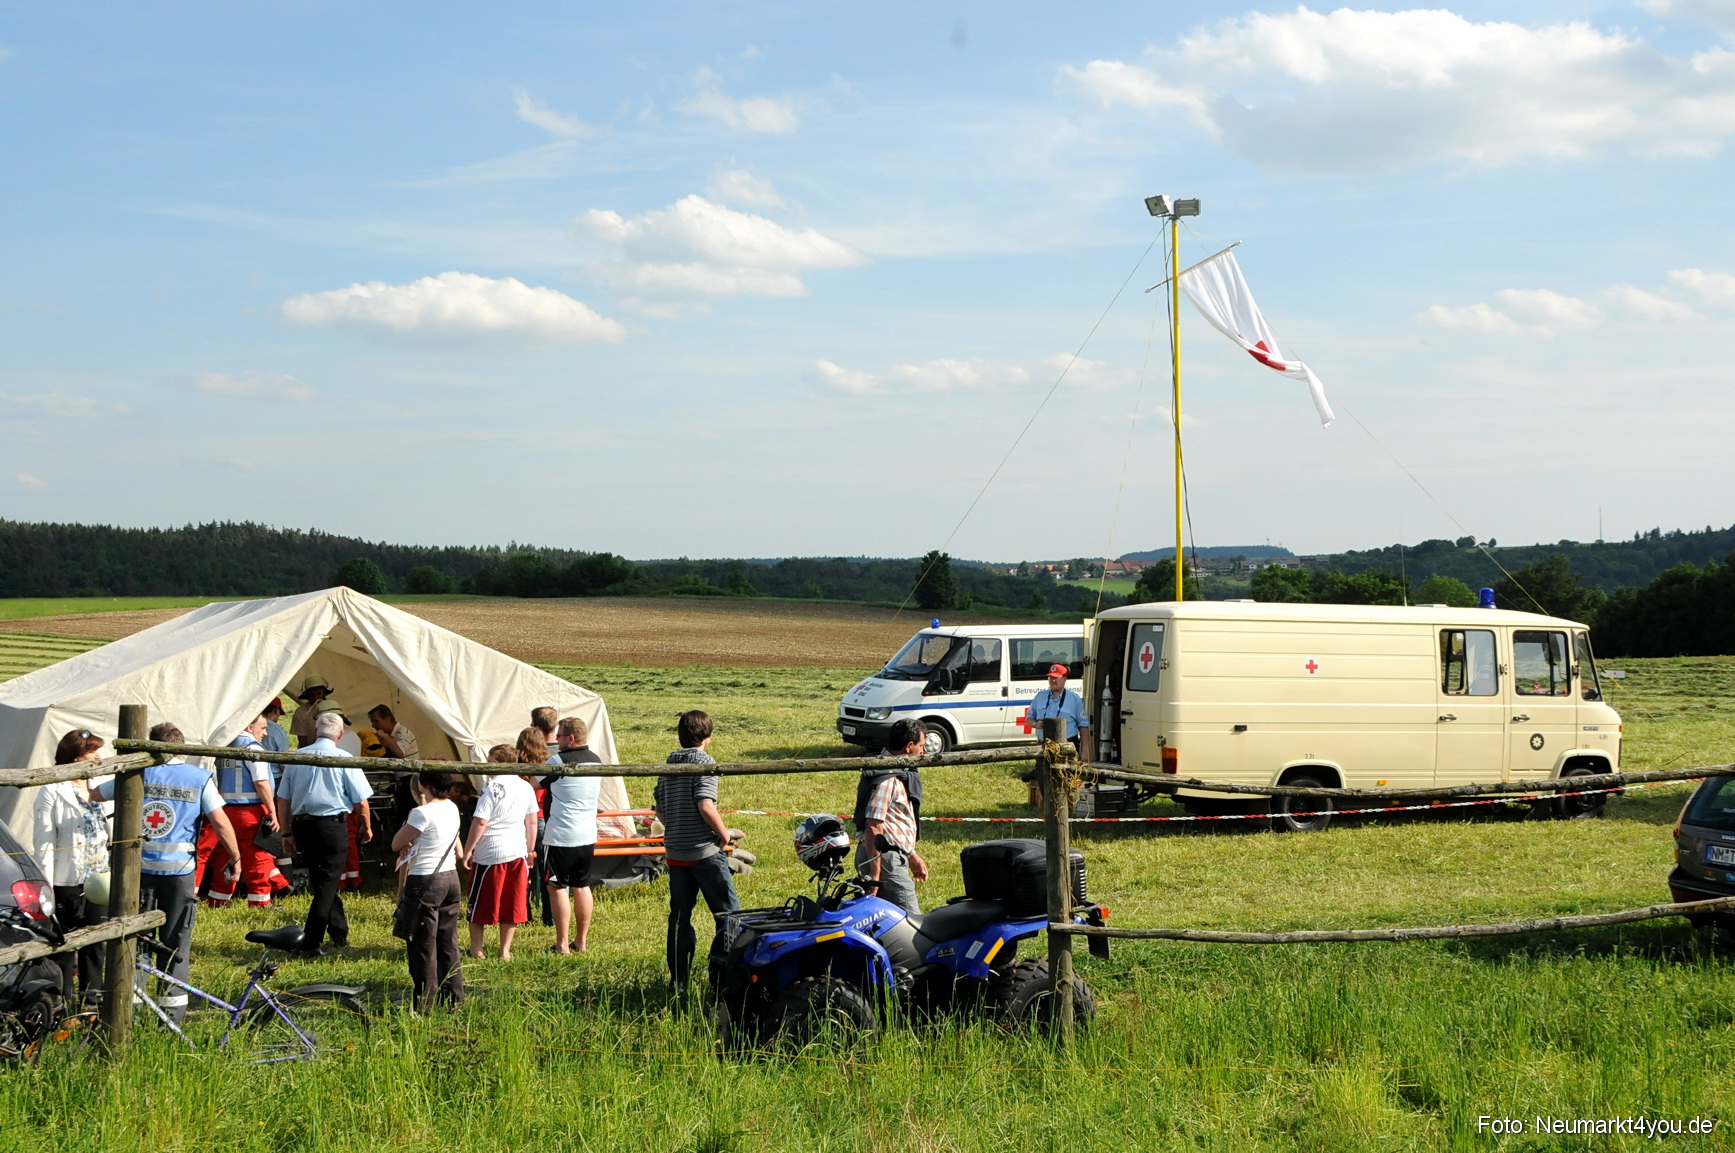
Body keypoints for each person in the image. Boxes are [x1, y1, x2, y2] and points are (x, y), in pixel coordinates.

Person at [94, 723, 240, 1021]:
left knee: (136, 938)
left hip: (138, 871)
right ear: (179, 748)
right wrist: (235, 857)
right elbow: (221, 823)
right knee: (176, 940)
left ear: (152, 746)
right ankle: (172, 1015)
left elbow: (96, 794)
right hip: (179, 873)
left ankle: (129, 1010)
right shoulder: (199, 778)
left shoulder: (135, 771)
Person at [653, 710, 739, 996]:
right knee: (729, 916)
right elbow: (705, 805)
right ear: (707, 737)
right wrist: (724, 835)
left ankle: (679, 981)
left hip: (676, 851)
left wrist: (678, 829)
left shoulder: (668, 764)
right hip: (704, 852)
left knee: (679, 918)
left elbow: (660, 812)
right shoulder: (705, 763)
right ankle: (726, 978)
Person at [275, 711, 373, 957]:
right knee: (327, 883)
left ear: (316, 732)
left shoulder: (297, 757)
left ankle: (339, 930)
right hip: (332, 825)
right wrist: (366, 825)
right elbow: (361, 802)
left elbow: (283, 799)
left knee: (323, 881)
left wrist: (286, 832)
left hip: (302, 824)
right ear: (340, 734)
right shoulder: (344, 759)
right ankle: (311, 942)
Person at [33, 729, 110, 1003]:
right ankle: (62, 1007)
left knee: (96, 944)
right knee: (65, 945)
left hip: (99, 878)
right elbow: (43, 842)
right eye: (92, 752)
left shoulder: (99, 785)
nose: (98, 757)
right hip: (67, 880)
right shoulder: (52, 789)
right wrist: (47, 887)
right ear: (74, 756)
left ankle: (91, 1003)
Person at [390, 772, 464, 1012]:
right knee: (448, 942)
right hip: (450, 876)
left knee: (423, 946)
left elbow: (396, 843)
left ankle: (424, 1005)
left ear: (424, 784)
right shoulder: (451, 807)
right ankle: (454, 998)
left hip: (425, 879)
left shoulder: (421, 813)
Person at [461, 741, 538, 960]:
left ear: (500, 763)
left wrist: (469, 849)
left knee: (479, 903)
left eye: (490, 761)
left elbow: (480, 822)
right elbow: (531, 822)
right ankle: (504, 950)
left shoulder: (492, 788)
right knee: (512, 901)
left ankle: (477, 948)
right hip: (516, 851)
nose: (487, 766)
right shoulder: (526, 786)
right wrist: (529, 850)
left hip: (490, 852)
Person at [202, 713, 285, 908]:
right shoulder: (253, 748)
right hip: (250, 810)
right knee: (258, 854)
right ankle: (260, 901)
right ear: (249, 727)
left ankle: (218, 899)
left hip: (225, 809)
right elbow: (261, 783)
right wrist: (272, 810)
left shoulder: (226, 746)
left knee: (227, 853)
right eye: (262, 728)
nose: (265, 733)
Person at [854, 718, 929, 915]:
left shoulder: (893, 771)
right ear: (909, 746)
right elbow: (873, 826)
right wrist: (875, 873)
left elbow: (891, 823)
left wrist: (911, 855)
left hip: (889, 856)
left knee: (887, 920)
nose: (923, 752)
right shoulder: (888, 779)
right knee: (911, 920)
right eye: (921, 746)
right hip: (884, 860)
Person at [543, 716, 601, 954]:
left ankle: (562, 943)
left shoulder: (557, 760)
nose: (556, 740)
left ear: (571, 738)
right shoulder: (596, 760)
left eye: (560, 736)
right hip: (587, 833)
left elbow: (535, 783)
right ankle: (582, 941)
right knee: (582, 885)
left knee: (557, 887)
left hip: (560, 834)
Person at [1023, 663, 1092, 806]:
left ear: (1065, 678)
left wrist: (1084, 751)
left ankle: (1067, 814)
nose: (1053, 681)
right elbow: (1029, 718)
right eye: (1050, 678)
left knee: (1067, 783)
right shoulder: (1040, 697)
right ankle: (1050, 810)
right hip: (1044, 748)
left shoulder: (1074, 699)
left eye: (1056, 678)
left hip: (1067, 748)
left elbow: (1083, 726)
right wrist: (1035, 724)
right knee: (1044, 781)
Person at [289, 674, 334, 747]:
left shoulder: (334, 708)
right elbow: (302, 742)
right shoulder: (301, 712)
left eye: (319, 694)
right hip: (309, 751)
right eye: (312, 695)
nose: (316, 698)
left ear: (324, 693)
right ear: (307, 696)